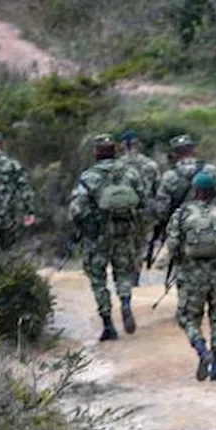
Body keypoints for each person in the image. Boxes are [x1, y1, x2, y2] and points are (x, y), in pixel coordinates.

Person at [67, 134, 149, 341]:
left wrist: (79, 227)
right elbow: (142, 200)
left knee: (98, 279)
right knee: (122, 272)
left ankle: (108, 324)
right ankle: (126, 303)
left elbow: (76, 208)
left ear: (96, 153)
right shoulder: (130, 172)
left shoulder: (89, 176)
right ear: (115, 151)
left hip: (97, 235)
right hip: (123, 232)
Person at [165, 172, 216, 381]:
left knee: (188, 318)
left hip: (191, 275)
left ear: (196, 190)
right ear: (213, 192)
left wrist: (183, 257)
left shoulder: (182, 214)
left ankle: (202, 351)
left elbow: (172, 246)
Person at [151, 134, 216, 264]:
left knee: (185, 270)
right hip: (213, 229)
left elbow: (161, 210)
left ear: (174, 154)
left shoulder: (170, 176)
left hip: (184, 231)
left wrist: (171, 224)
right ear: (194, 151)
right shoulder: (211, 171)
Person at [120, 129, 160, 283]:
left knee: (123, 243)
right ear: (138, 144)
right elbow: (158, 190)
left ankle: (124, 275)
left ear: (123, 145)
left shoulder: (117, 165)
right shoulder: (150, 165)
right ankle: (135, 275)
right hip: (144, 211)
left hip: (122, 211)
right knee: (140, 244)